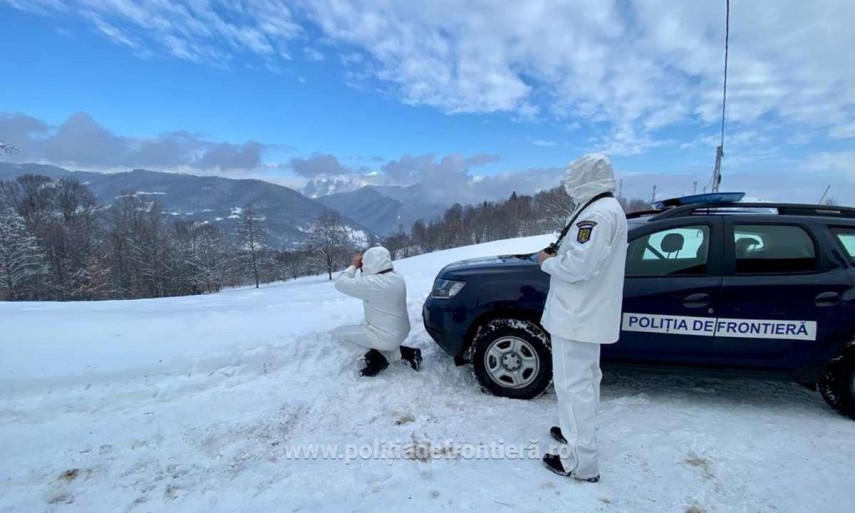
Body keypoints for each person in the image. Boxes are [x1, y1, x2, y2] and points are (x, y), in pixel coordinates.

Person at [537, 154, 628, 482]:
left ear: (586, 177)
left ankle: (579, 462)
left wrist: (546, 262)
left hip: (576, 315)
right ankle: (574, 432)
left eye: (572, 175)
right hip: (585, 314)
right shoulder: (605, 208)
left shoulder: (598, 215)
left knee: (573, 385)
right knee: (584, 381)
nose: (567, 182)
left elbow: (579, 266)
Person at [333, 246, 422, 377]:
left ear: (369, 263)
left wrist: (354, 266)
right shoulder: (397, 277)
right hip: (402, 332)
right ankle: (406, 353)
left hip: (386, 336)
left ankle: (376, 361)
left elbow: (340, 283)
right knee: (381, 342)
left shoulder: (372, 283)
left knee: (340, 335)